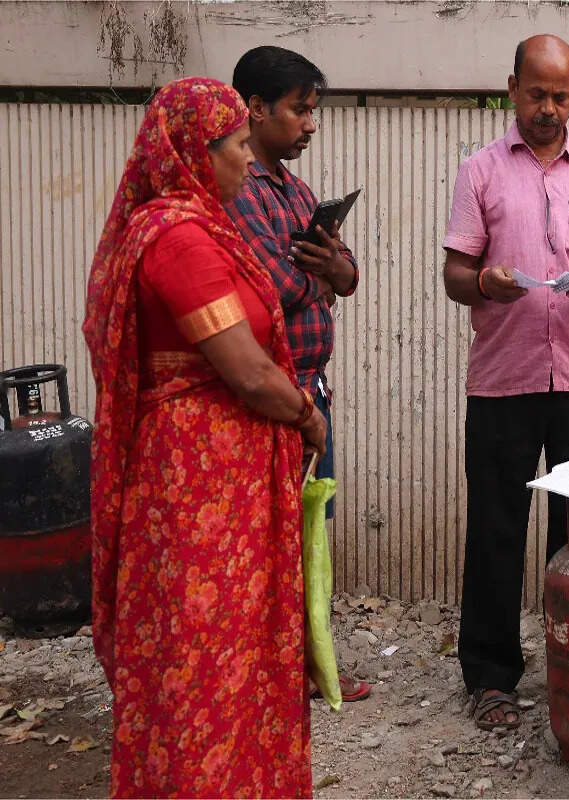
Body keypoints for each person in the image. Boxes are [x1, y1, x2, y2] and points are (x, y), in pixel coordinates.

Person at [82, 77, 322, 798]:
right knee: (201, 656)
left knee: (238, 649)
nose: (250, 161)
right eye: (239, 145)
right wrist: (307, 416)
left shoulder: (199, 226)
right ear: (195, 150)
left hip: (225, 483)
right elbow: (246, 372)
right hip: (195, 487)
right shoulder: (178, 239)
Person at [442, 34, 569, 730]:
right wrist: (487, 283)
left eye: (561, 95)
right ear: (512, 88)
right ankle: (491, 677)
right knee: (496, 529)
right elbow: (455, 276)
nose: (549, 108)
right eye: (537, 93)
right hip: (504, 383)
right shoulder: (480, 172)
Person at [223, 46, 370, 703]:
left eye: (315, 111)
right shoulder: (237, 187)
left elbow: (345, 272)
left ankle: (304, 666)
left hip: (312, 392)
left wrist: (334, 271)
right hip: (268, 398)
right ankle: (268, 673)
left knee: (307, 536)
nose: (311, 125)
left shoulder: (295, 188)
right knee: (266, 543)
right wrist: (322, 277)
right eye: (300, 110)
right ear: (255, 109)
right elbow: (269, 286)